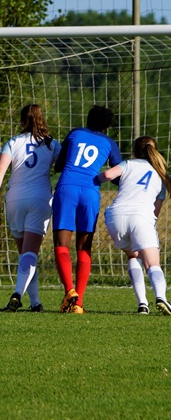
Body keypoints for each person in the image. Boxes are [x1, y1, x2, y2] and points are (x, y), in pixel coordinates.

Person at [0, 104, 61, 312]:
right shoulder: (52, 144)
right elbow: (66, 166)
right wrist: (58, 190)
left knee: (25, 254)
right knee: (30, 253)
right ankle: (18, 294)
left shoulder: (13, 142)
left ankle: (35, 302)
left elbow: (1, 170)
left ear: (22, 121)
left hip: (14, 199)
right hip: (40, 199)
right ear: (42, 120)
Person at [52, 105, 122, 314]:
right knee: (84, 247)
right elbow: (118, 173)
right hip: (90, 192)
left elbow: (59, 164)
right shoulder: (110, 143)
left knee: (61, 243)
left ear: (88, 118)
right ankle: (79, 304)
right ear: (107, 126)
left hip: (67, 187)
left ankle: (69, 291)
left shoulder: (75, 133)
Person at [97, 136, 171, 315]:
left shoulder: (128, 164)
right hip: (141, 217)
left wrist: (92, 178)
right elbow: (155, 211)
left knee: (133, 256)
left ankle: (142, 304)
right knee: (152, 262)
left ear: (135, 151)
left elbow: (107, 175)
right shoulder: (160, 175)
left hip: (116, 216)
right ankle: (161, 298)